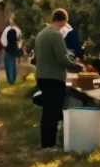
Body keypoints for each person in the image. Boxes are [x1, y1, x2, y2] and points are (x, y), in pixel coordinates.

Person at [34, 9, 84, 150]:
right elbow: (62, 60)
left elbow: (50, 54)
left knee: (47, 112)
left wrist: (69, 56)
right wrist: (78, 67)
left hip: (42, 77)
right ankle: (50, 145)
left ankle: (45, 142)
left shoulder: (41, 34)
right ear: (64, 21)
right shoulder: (56, 35)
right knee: (53, 112)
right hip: (54, 78)